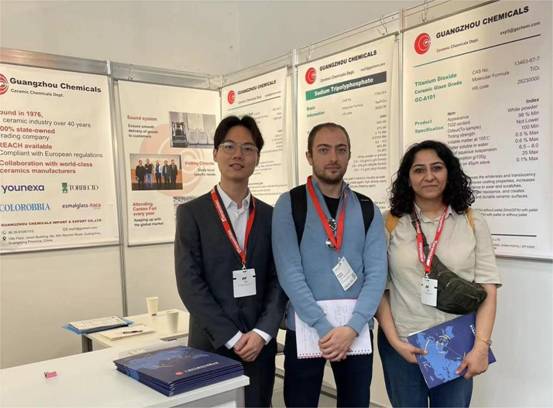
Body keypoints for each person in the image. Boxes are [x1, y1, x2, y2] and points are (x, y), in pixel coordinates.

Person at [375, 140, 501, 407]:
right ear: (408, 178)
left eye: (437, 167)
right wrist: (394, 341)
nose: (429, 176)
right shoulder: (389, 223)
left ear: (449, 172)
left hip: (454, 342)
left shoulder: (472, 221)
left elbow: (488, 289)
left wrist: (481, 346)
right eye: (419, 170)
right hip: (403, 343)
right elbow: (378, 289)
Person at [272, 122, 387, 407]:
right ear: (309, 156)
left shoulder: (367, 208)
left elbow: (377, 274)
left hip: (355, 332)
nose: (333, 157)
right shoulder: (290, 204)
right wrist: (323, 327)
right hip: (306, 330)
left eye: (341, 150)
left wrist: (353, 327)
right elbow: (289, 272)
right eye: (323, 150)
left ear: (349, 155)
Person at [175, 115, 286, 407]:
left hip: (259, 348)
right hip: (211, 345)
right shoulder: (192, 214)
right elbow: (189, 283)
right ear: (215, 153)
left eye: (248, 148)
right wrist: (232, 336)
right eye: (229, 146)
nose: (238, 154)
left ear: (257, 157)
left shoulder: (271, 216)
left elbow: (280, 280)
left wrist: (261, 333)